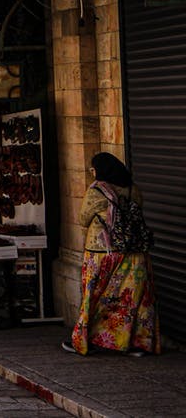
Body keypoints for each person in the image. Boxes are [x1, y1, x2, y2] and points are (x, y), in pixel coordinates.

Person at [64, 152, 160, 356]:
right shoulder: (133, 190)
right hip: (134, 253)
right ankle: (134, 343)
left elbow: (83, 219)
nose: (92, 172)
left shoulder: (97, 191)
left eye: (93, 169)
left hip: (102, 253)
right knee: (132, 300)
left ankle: (85, 339)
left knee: (96, 298)